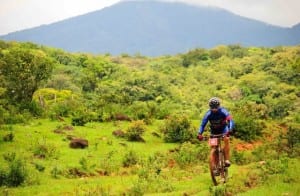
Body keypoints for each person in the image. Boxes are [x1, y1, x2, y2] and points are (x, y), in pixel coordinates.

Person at [197, 97, 234, 167]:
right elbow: (202, 125)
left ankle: (227, 159)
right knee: (213, 147)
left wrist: (230, 129)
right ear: (210, 107)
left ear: (219, 106)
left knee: (226, 139)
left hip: (224, 130)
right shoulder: (208, 114)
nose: (214, 109)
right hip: (214, 132)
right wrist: (199, 133)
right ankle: (216, 166)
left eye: (216, 107)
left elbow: (230, 120)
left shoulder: (223, 111)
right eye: (212, 107)